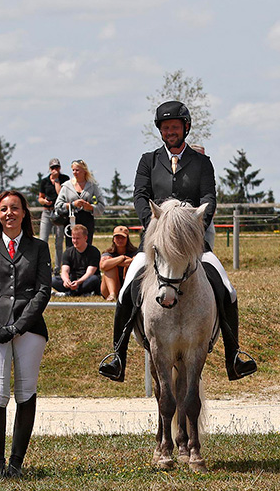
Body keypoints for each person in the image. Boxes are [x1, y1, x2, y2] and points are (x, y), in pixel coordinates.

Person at [98, 100, 257, 382]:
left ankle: (234, 355)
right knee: (126, 289)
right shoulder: (148, 161)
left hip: (193, 243)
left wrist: (195, 228)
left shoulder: (202, 163)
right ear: (160, 130)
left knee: (227, 289)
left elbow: (209, 198)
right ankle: (117, 355)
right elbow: (139, 195)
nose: (170, 131)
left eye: (175, 127)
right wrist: (156, 227)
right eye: (165, 127)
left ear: (185, 128)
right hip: (157, 243)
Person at [0, 190, 51, 478]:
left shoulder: (39, 248)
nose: (9, 213)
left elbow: (43, 291)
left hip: (29, 327)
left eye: (15, 208)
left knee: (26, 391)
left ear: (24, 213)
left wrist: (19, 326)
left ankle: (16, 462)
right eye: (4, 209)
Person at [54, 159, 105, 246]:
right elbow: (58, 205)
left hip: (87, 220)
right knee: (71, 246)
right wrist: (72, 205)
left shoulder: (92, 186)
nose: (75, 172)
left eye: (77, 170)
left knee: (87, 246)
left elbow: (101, 205)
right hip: (71, 220)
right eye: (73, 170)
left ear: (84, 171)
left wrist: (90, 207)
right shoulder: (67, 186)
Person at [37, 158, 69, 271]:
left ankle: (57, 267)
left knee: (59, 241)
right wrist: (44, 202)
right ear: (49, 169)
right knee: (43, 240)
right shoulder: (44, 181)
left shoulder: (65, 179)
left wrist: (56, 181)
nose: (55, 170)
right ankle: (44, 265)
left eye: (57, 167)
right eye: (53, 168)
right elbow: (40, 198)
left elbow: (61, 194)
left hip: (59, 213)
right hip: (47, 211)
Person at [52, 224, 101, 296]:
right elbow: (65, 270)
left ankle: (68, 294)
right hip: (73, 280)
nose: (75, 241)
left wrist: (78, 282)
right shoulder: (68, 252)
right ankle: (79, 293)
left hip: (85, 280)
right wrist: (66, 280)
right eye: (73, 238)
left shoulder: (94, 251)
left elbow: (90, 273)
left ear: (85, 238)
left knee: (94, 279)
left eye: (78, 238)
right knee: (54, 280)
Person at [99, 225, 138, 302]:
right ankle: (112, 294)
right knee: (110, 267)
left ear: (127, 239)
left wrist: (114, 262)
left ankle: (126, 294)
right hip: (108, 289)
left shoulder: (135, 252)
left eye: (123, 237)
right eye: (117, 237)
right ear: (113, 239)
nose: (120, 240)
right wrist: (122, 258)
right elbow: (103, 266)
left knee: (113, 264)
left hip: (127, 286)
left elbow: (135, 262)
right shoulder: (108, 253)